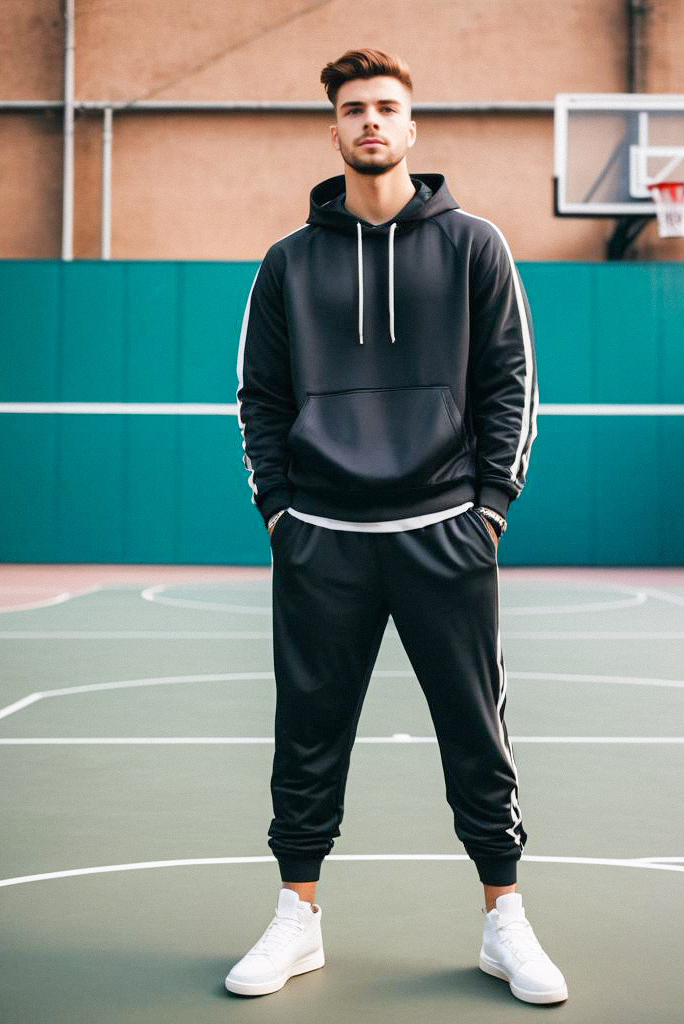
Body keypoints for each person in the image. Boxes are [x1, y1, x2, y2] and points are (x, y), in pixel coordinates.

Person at [226, 48, 565, 1006]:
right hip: (322, 534)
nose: (370, 121)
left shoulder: (474, 246)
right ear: (332, 130)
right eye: (353, 109)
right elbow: (258, 394)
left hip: (443, 530)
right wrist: (279, 513)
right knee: (308, 732)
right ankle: (298, 919)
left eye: (386, 108)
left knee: (475, 732)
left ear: (411, 128)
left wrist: (490, 508)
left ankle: (506, 920)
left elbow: (511, 382)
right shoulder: (287, 263)